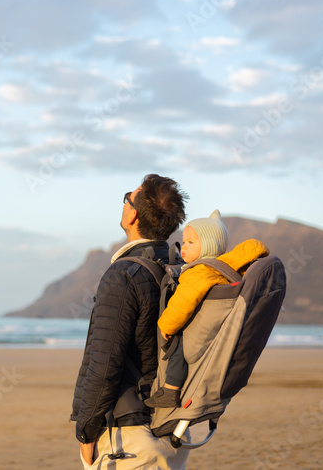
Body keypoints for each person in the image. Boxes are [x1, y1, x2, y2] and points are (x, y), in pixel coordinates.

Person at [71, 174, 190, 469]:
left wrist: (85, 433)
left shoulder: (124, 275)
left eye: (128, 196)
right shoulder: (179, 271)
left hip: (129, 439)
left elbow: (104, 362)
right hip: (171, 429)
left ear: (132, 213)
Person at [145, 210, 269, 408]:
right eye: (183, 242)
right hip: (217, 331)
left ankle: (170, 389)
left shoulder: (199, 273)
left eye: (191, 243)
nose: (183, 247)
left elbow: (182, 304)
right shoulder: (224, 268)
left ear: (209, 246)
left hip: (198, 336)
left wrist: (166, 326)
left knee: (178, 343)